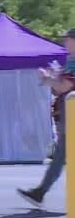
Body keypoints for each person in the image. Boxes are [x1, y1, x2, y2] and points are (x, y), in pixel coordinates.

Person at [17, 28, 75, 208]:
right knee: (60, 155)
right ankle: (40, 192)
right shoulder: (70, 61)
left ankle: (40, 192)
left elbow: (65, 86)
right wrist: (52, 79)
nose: (64, 43)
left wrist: (47, 79)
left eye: (67, 39)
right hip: (67, 114)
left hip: (72, 114)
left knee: (61, 155)